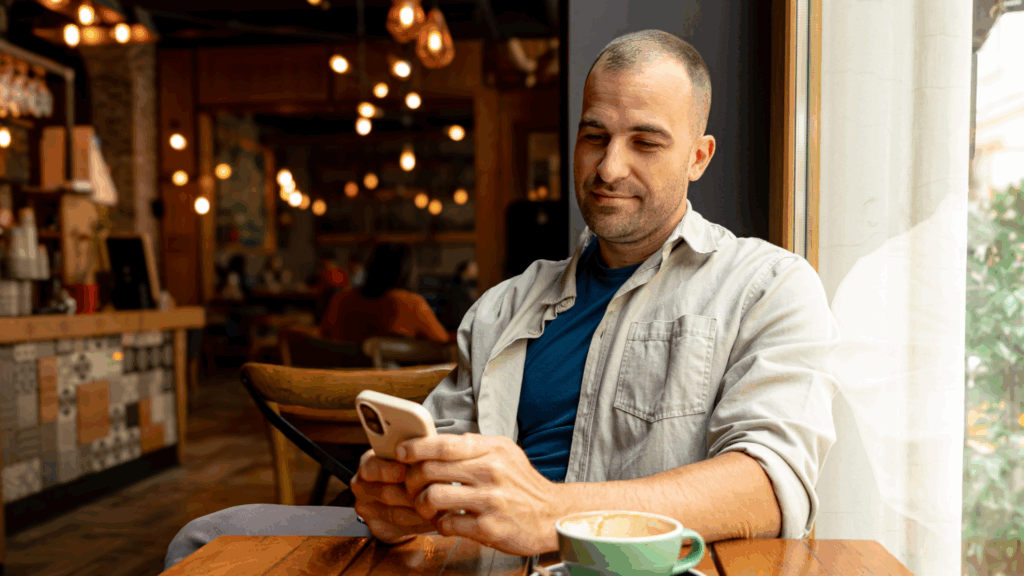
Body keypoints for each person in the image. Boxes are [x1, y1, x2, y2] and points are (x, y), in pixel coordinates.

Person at [164, 29, 838, 569]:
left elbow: (769, 485)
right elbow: (436, 461)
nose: (608, 168)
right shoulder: (503, 306)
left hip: (621, 564)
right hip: (467, 558)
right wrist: (393, 498)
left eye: (645, 142)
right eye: (595, 135)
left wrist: (551, 510)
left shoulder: (769, 287)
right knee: (206, 536)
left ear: (699, 155)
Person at [318, 243, 449, 344]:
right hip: (398, 379)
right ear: (408, 272)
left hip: (344, 377)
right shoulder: (412, 304)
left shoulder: (340, 301)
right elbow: (442, 342)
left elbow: (324, 337)